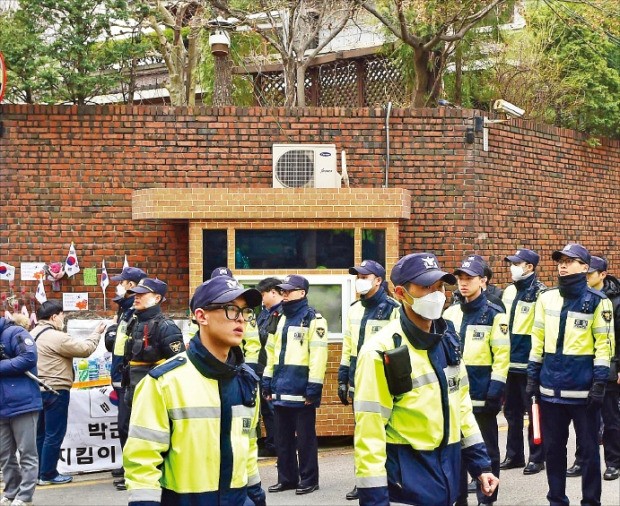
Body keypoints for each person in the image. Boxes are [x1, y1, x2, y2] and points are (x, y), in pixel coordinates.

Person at [354, 252, 499, 506]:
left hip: (448, 478)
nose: (436, 294)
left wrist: (480, 465)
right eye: (425, 287)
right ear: (400, 293)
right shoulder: (380, 352)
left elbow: (461, 408)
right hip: (408, 484)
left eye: (440, 286)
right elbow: (370, 435)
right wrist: (375, 500)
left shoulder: (447, 341)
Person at [123, 275, 266, 505]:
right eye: (231, 309)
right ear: (201, 316)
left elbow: (248, 448)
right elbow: (142, 462)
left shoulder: (247, 381)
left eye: (245, 311)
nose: (240, 319)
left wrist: (256, 497)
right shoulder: (164, 382)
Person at [527, 243, 614, 506]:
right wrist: (532, 376)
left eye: (570, 260)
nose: (563, 265)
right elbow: (537, 339)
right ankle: (556, 500)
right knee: (553, 452)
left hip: (583, 392)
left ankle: (590, 501)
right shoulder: (546, 298)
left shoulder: (599, 302)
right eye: (560, 260)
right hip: (550, 391)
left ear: (585, 267)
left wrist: (600, 382)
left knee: (588, 452)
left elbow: (604, 345)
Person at [443, 256, 509, 506]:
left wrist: (496, 391)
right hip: (455, 396)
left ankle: (487, 500)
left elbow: (502, 356)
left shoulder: (495, 314)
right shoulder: (450, 313)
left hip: (483, 395)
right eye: (460, 278)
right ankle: (459, 500)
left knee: (487, 452)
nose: (463, 283)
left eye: (469, 278)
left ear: (482, 281)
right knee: (456, 454)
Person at [338, 259, 399, 501]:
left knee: (389, 434)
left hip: (384, 382)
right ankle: (363, 482)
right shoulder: (354, 308)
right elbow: (348, 347)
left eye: (365, 277)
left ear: (378, 281)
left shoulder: (393, 309)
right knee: (363, 434)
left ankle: (391, 479)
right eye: (358, 277)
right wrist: (343, 378)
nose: (360, 281)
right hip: (358, 381)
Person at [262, 275, 328, 496]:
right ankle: (287, 479)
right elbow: (271, 353)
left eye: (290, 290)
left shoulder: (313, 319)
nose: (285, 294)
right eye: (283, 291)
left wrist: (313, 389)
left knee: (305, 440)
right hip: (280, 388)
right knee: (282, 439)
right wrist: (267, 382)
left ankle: (309, 479)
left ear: (303, 293)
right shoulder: (278, 317)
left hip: (301, 390)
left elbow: (319, 357)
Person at [31, 300, 105, 486]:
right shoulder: (56, 336)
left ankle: (39, 472)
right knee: (54, 433)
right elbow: (85, 349)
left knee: (40, 433)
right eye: (62, 316)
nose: (63, 320)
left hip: (36, 389)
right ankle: (48, 474)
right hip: (55, 390)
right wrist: (96, 333)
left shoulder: (31, 334)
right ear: (54, 317)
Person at [566, 256, 620, 481]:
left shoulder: (616, 301)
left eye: (590, 274)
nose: (585, 278)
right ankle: (582, 459)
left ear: (602, 275)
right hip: (583, 367)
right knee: (583, 420)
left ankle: (613, 461)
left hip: (608, 366)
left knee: (610, 418)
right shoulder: (579, 298)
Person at [500, 249, 547, 475]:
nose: (512, 267)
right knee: (511, 412)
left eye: (516, 263)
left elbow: (542, 330)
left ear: (529, 267)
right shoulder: (508, 291)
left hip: (528, 363)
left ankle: (537, 457)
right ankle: (514, 454)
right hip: (508, 363)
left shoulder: (541, 293)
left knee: (534, 411)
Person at [103, 266, 147, 490]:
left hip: (131, 378)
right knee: (124, 426)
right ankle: (128, 465)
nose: (118, 285)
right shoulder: (125, 309)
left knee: (129, 425)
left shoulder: (135, 311)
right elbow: (116, 343)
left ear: (131, 285)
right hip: (121, 375)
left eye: (122, 281)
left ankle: (133, 470)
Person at [0, 316, 42, 506]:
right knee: (5, 454)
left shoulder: (15, 333)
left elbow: (29, 357)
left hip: (23, 403)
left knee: (27, 452)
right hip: (3, 407)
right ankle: (11, 493)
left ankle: (25, 496)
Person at [253, 277, 284, 458]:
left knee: (273, 409)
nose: (261, 298)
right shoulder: (265, 312)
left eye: (263, 294)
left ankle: (278, 445)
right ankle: (271, 443)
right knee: (266, 409)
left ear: (273, 291)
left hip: (273, 368)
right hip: (261, 367)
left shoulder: (281, 313)